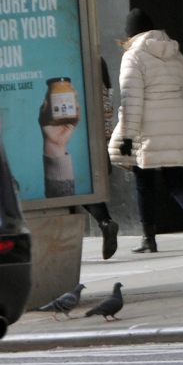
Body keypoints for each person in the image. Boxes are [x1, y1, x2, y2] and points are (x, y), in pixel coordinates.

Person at [108, 9, 183, 254]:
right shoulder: (175, 53)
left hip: (147, 125)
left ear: (130, 33)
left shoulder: (133, 56)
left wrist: (127, 137)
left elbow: (132, 100)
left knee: (144, 182)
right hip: (176, 122)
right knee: (176, 179)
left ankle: (148, 238)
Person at [38, 59, 120, 259]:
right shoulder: (97, 62)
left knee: (72, 192)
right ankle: (104, 221)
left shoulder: (69, 62)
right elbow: (108, 103)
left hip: (78, 134)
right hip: (96, 136)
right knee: (86, 185)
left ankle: (65, 243)